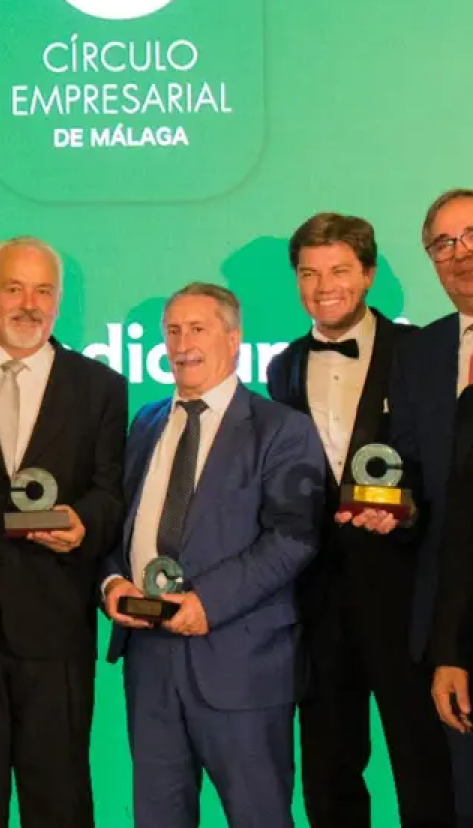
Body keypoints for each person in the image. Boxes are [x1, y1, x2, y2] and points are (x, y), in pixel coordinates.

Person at [101, 283, 321, 828]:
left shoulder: (282, 428)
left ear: (234, 337)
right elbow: (120, 525)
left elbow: (294, 537)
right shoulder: (146, 422)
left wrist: (208, 603)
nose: (183, 344)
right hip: (150, 664)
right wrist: (112, 583)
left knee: (258, 816)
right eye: (173, 331)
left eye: (197, 329)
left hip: (241, 664)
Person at [264, 213, 453, 827]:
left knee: (423, 759)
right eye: (309, 273)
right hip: (317, 598)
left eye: (340, 270)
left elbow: (447, 465)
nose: (325, 287)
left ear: (368, 274)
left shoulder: (421, 350)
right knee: (328, 764)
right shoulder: (283, 367)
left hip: (404, 591)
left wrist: (408, 510)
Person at [0, 237, 125, 828]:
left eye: (43, 290)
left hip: (57, 622)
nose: (29, 304)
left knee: (59, 801)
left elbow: (111, 492)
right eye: (14, 289)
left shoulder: (100, 386)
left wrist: (84, 523)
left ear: (59, 300)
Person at [415, 189, 473, 818]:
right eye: (444, 244)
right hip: (455, 626)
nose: (461, 254)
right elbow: (454, 521)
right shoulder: (420, 352)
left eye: (472, 235)